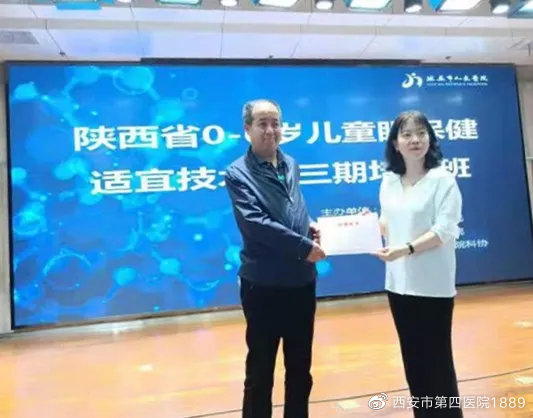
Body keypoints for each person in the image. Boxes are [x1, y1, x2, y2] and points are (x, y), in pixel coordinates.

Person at [225, 99, 326, 418]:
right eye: (262, 123)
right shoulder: (237, 173)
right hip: (263, 285)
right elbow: (255, 223)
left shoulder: (290, 163)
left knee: (300, 369)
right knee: (260, 371)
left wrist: (309, 225)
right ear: (247, 129)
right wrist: (303, 246)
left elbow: (293, 206)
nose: (270, 130)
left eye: (275, 123)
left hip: (301, 282)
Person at [373, 110, 463, 417]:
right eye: (407, 134)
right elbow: (388, 223)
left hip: (432, 284)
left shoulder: (443, 179)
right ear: (395, 143)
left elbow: (445, 230)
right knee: (414, 363)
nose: (415, 140)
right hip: (398, 284)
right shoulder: (389, 180)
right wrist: (365, 227)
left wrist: (406, 249)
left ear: (430, 139)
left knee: (438, 363)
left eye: (422, 133)